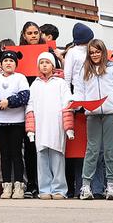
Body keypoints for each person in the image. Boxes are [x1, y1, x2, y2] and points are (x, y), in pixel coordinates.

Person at [69, 38, 113, 200]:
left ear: (103, 52)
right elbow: (79, 91)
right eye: (91, 52)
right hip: (92, 114)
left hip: (111, 114)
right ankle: (86, 186)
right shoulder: (84, 70)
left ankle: (111, 186)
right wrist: (75, 103)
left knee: (110, 150)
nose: (94, 55)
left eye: (97, 51)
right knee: (92, 150)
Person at [0, 47, 29, 198]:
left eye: (11, 61)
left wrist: (8, 102)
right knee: (4, 155)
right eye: (6, 60)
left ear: (16, 64)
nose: (8, 63)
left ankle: (19, 186)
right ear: (1, 63)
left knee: (17, 154)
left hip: (17, 122)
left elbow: (24, 96)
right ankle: (6, 186)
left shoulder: (20, 78)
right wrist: (1, 104)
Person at [25, 51, 71, 198]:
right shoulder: (35, 84)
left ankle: (59, 189)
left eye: (47, 62)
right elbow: (30, 105)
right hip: (41, 126)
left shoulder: (60, 83)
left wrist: (68, 127)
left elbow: (67, 104)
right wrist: (30, 129)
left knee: (57, 157)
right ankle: (44, 189)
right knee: (42, 156)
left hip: (56, 125)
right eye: (42, 63)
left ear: (53, 65)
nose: (44, 65)